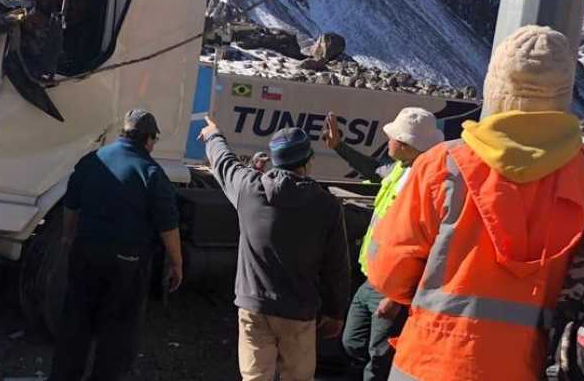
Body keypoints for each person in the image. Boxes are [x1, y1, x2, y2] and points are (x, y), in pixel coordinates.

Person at [366, 25, 584, 380]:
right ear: (564, 94)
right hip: (547, 368)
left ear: (496, 87)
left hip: (434, 363)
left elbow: (389, 274)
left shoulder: (443, 166)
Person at [199, 117, 349, 381]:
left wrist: (213, 134)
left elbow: (223, 162)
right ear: (307, 162)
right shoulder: (327, 206)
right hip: (299, 311)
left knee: (255, 377)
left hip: (254, 306)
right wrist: (336, 312)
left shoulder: (248, 188)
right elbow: (335, 266)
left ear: (274, 158)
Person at [51, 109, 183, 381]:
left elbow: (71, 206)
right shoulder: (152, 172)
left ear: (123, 133)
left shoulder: (93, 160)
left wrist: (67, 238)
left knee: (75, 320)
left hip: (85, 253)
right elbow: (168, 227)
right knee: (117, 331)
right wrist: (176, 262)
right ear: (149, 139)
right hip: (127, 264)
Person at [321, 109, 443, 381]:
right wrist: (339, 146)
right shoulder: (402, 168)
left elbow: (428, 246)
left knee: (379, 357)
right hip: (371, 278)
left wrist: (397, 297)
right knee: (352, 343)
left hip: (391, 287)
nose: (387, 140)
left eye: (391, 137)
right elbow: (373, 168)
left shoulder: (423, 181)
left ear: (405, 144)